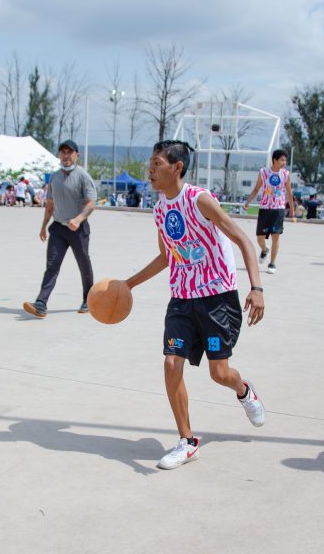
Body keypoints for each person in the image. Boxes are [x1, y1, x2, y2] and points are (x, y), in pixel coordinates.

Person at [124, 140, 266, 470]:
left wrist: (256, 287)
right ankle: (187, 442)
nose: (150, 169)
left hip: (217, 297)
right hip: (182, 298)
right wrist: (127, 284)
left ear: (177, 167)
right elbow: (166, 256)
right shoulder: (160, 208)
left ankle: (244, 391)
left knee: (220, 373)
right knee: (172, 364)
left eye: (157, 163)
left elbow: (243, 239)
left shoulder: (199, 200)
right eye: (150, 163)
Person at [23, 140, 96, 318]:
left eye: (69, 152)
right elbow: (50, 205)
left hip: (78, 229)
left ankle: (89, 299)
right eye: (62, 152)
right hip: (58, 229)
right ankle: (41, 303)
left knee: (83, 264)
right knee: (52, 266)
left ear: (76, 155)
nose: (66, 156)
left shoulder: (83, 176)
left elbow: (91, 204)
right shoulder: (54, 177)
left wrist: (78, 219)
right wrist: (43, 227)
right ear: (59, 155)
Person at [243, 149, 296, 275]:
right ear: (275, 160)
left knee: (275, 236)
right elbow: (257, 189)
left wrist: (292, 211)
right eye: (282, 160)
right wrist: (248, 202)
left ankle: (272, 263)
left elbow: (289, 192)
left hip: (278, 209)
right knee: (260, 237)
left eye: (285, 160)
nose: (284, 163)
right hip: (265, 208)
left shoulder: (286, 174)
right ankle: (264, 249)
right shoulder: (264, 172)